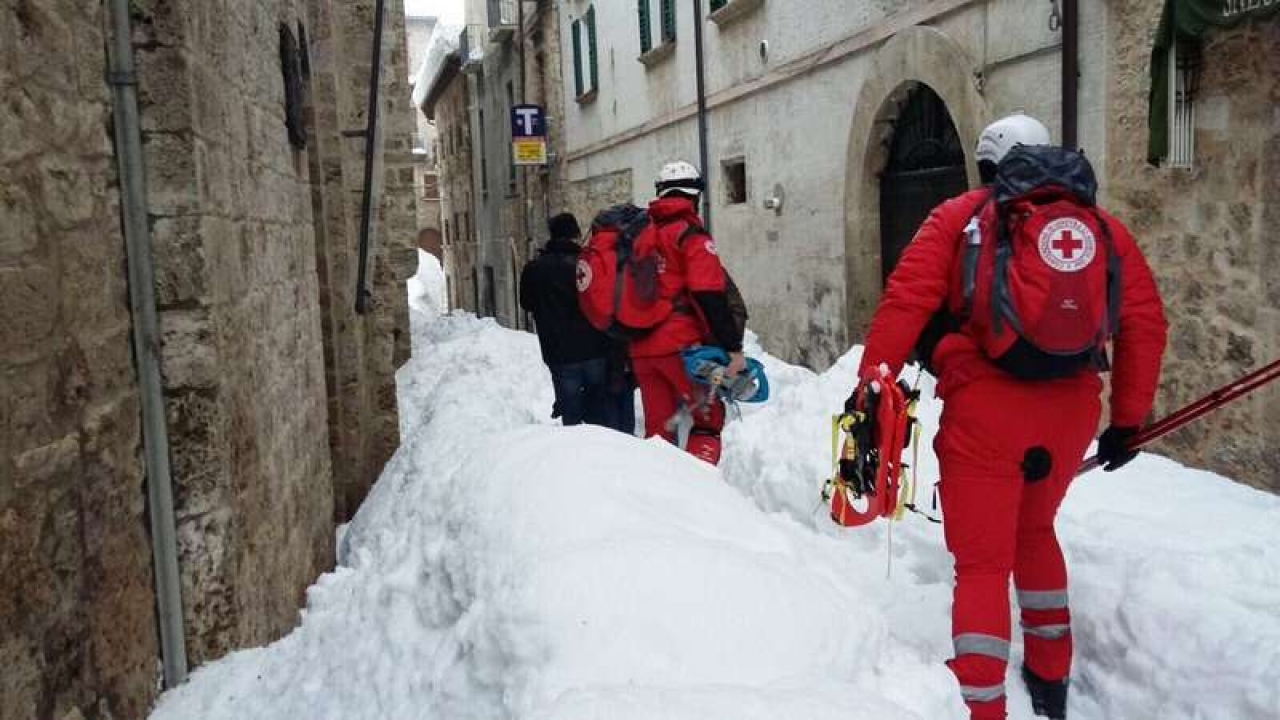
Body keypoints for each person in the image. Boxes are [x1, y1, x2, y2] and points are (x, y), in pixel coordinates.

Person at [852, 114, 1168, 720]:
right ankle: (1052, 683)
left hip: (985, 411)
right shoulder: (1102, 229)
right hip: (1070, 410)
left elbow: (906, 298)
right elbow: (1146, 325)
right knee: (1035, 531)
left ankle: (982, 704)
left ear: (988, 163)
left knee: (983, 563)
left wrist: (873, 383)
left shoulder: (957, 217)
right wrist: (1127, 421)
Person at [629, 161, 744, 465]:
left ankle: (658, 500)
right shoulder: (692, 236)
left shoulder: (641, 237)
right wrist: (733, 348)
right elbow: (710, 295)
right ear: (695, 197)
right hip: (682, 349)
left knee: (658, 431)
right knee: (708, 420)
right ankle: (701, 494)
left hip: (642, 349)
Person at [520, 213, 634, 432]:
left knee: (570, 410)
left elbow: (526, 303)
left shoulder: (534, 269)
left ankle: (575, 456)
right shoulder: (586, 264)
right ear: (576, 235)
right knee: (599, 407)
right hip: (594, 348)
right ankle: (602, 451)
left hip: (558, 351)